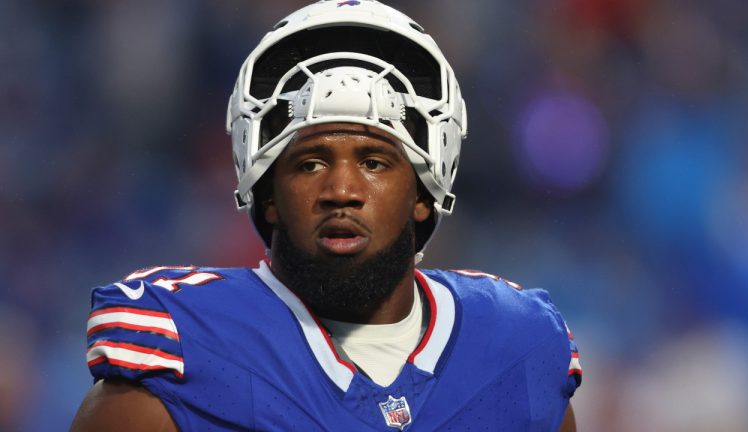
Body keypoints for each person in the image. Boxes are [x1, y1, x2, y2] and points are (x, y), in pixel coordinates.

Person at [71, 1, 581, 431]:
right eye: (309, 163)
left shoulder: (517, 347)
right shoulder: (184, 349)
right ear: (268, 194)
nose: (341, 190)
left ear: (422, 194)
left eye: (374, 162)